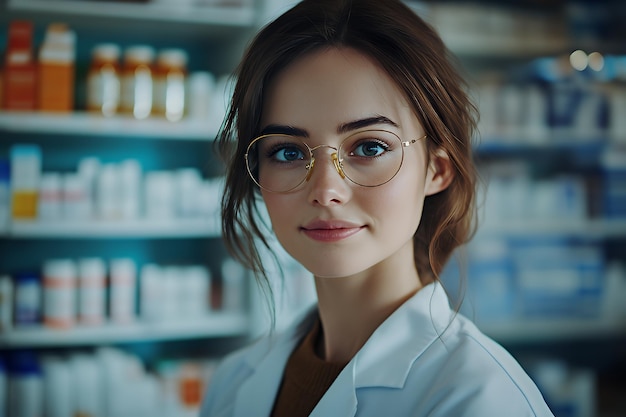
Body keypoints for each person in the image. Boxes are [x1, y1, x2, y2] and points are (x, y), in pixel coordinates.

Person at [200, 0, 555, 416]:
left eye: (369, 147)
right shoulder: (231, 382)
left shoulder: (479, 398)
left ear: (436, 171)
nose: (326, 191)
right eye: (287, 152)